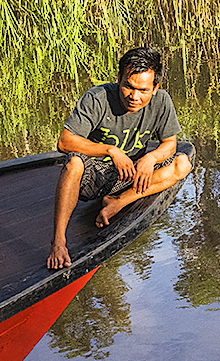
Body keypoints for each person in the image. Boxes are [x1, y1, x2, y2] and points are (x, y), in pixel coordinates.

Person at [47, 47, 192, 270]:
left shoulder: (162, 101)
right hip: (96, 174)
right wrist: (111, 151)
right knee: (74, 163)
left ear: (155, 88)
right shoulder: (97, 98)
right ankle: (58, 241)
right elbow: (65, 142)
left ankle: (119, 201)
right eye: (128, 86)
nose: (134, 96)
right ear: (119, 79)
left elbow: (170, 144)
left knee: (183, 164)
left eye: (143, 90)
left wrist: (150, 158)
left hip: (131, 175)